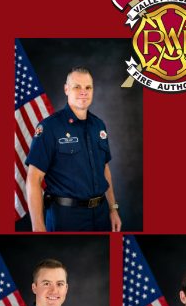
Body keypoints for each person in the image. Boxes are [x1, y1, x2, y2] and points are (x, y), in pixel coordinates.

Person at [25, 67, 121, 232]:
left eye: (88, 87)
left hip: (101, 214)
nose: (83, 92)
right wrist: (38, 227)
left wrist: (112, 208)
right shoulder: (49, 128)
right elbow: (34, 179)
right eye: (77, 87)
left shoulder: (99, 126)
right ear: (66, 89)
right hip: (66, 216)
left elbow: (104, 169)